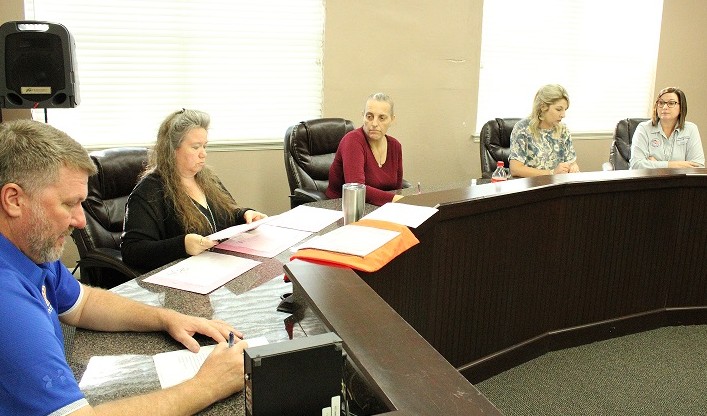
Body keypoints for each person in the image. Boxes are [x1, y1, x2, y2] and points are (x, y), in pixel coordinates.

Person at [0, 120, 249, 415]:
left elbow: (83, 303)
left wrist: (166, 318)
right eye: (69, 204)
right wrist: (208, 385)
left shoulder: (32, 251)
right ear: (14, 200)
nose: (81, 221)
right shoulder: (8, 300)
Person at [121, 109, 267, 271]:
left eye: (205, 146)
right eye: (196, 147)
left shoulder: (207, 178)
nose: (203, 154)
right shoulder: (150, 190)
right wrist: (182, 245)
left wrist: (245, 215)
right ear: (172, 149)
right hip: (181, 279)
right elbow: (132, 251)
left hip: (218, 268)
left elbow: (226, 216)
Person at [326, 92, 404, 206]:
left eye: (382, 118)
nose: (374, 123)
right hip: (342, 209)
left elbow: (397, 189)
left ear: (392, 120)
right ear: (363, 116)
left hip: (380, 209)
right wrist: (396, 200)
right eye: (369, 116)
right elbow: (356, 189)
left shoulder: (395, 146)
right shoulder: (352, 141)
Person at [509, 84, 580, 177]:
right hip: (530, 187)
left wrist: (573, 167)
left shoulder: (563, 130)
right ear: (543, 107)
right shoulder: (523, 128)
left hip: (558, 187)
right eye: (559, 109)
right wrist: (551, 173)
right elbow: (515, 169)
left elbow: (571, 163)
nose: (563, 115)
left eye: (565, 110)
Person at [629, 87, 705, 169]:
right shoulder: (644, 128)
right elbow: (636, 165)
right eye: (661, 103)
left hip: (680, 181)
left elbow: (698, 166)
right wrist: (674, 165)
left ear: (681, 107)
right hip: (650, 181)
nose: (665, 107)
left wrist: (655, 164)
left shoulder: (691, 129)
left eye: (671, 103)